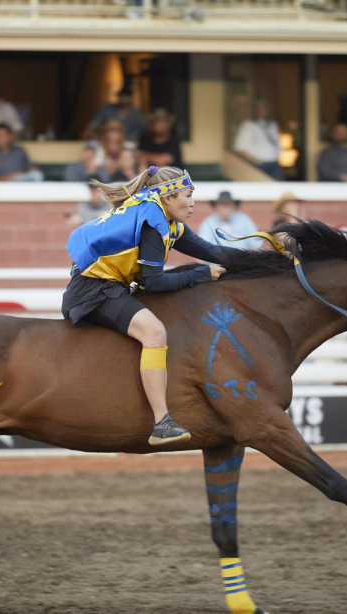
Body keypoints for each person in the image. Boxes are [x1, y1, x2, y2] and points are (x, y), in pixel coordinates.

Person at [63, 166, 227, 445]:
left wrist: (263, 261)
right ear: (167, 198)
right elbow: (155, 283)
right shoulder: (153, 220)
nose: (193, 203)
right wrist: (201, 274)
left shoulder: (167, 219)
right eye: (187, 195)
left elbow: (212, 251)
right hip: (92, 292)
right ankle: (162, 422)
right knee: (154, 333)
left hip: (108, 286)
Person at [233, 98, 282, 180]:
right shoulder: (248, 125)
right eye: (258, 107)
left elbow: (278, 143)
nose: (261, 110)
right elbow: (240, 149)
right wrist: (256, 162)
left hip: (274, 164)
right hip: (260, 166)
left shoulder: (273, 125)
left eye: (263, 107)